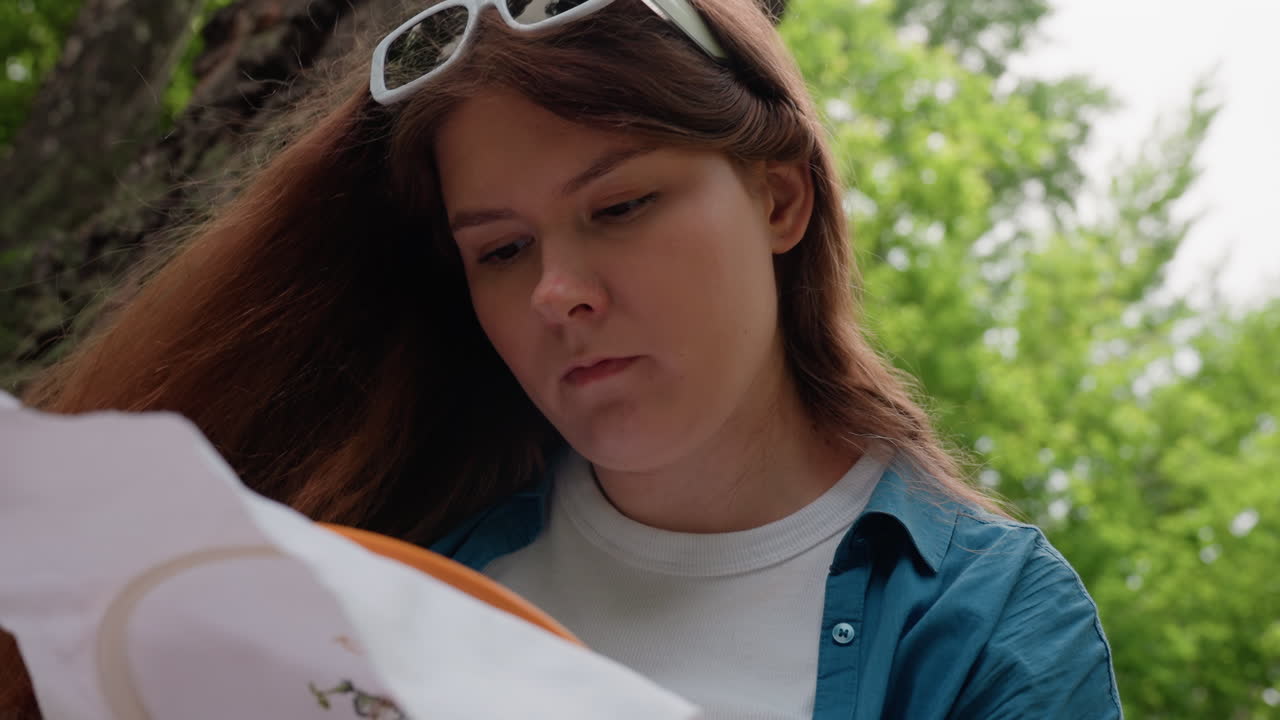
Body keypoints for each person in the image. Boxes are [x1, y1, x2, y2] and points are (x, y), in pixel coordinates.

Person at [1, 0, 1123, 717]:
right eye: (498, 249)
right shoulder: (372, 558)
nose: (554, 290)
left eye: (621, 205)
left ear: (778, 197)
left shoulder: (989, 629)